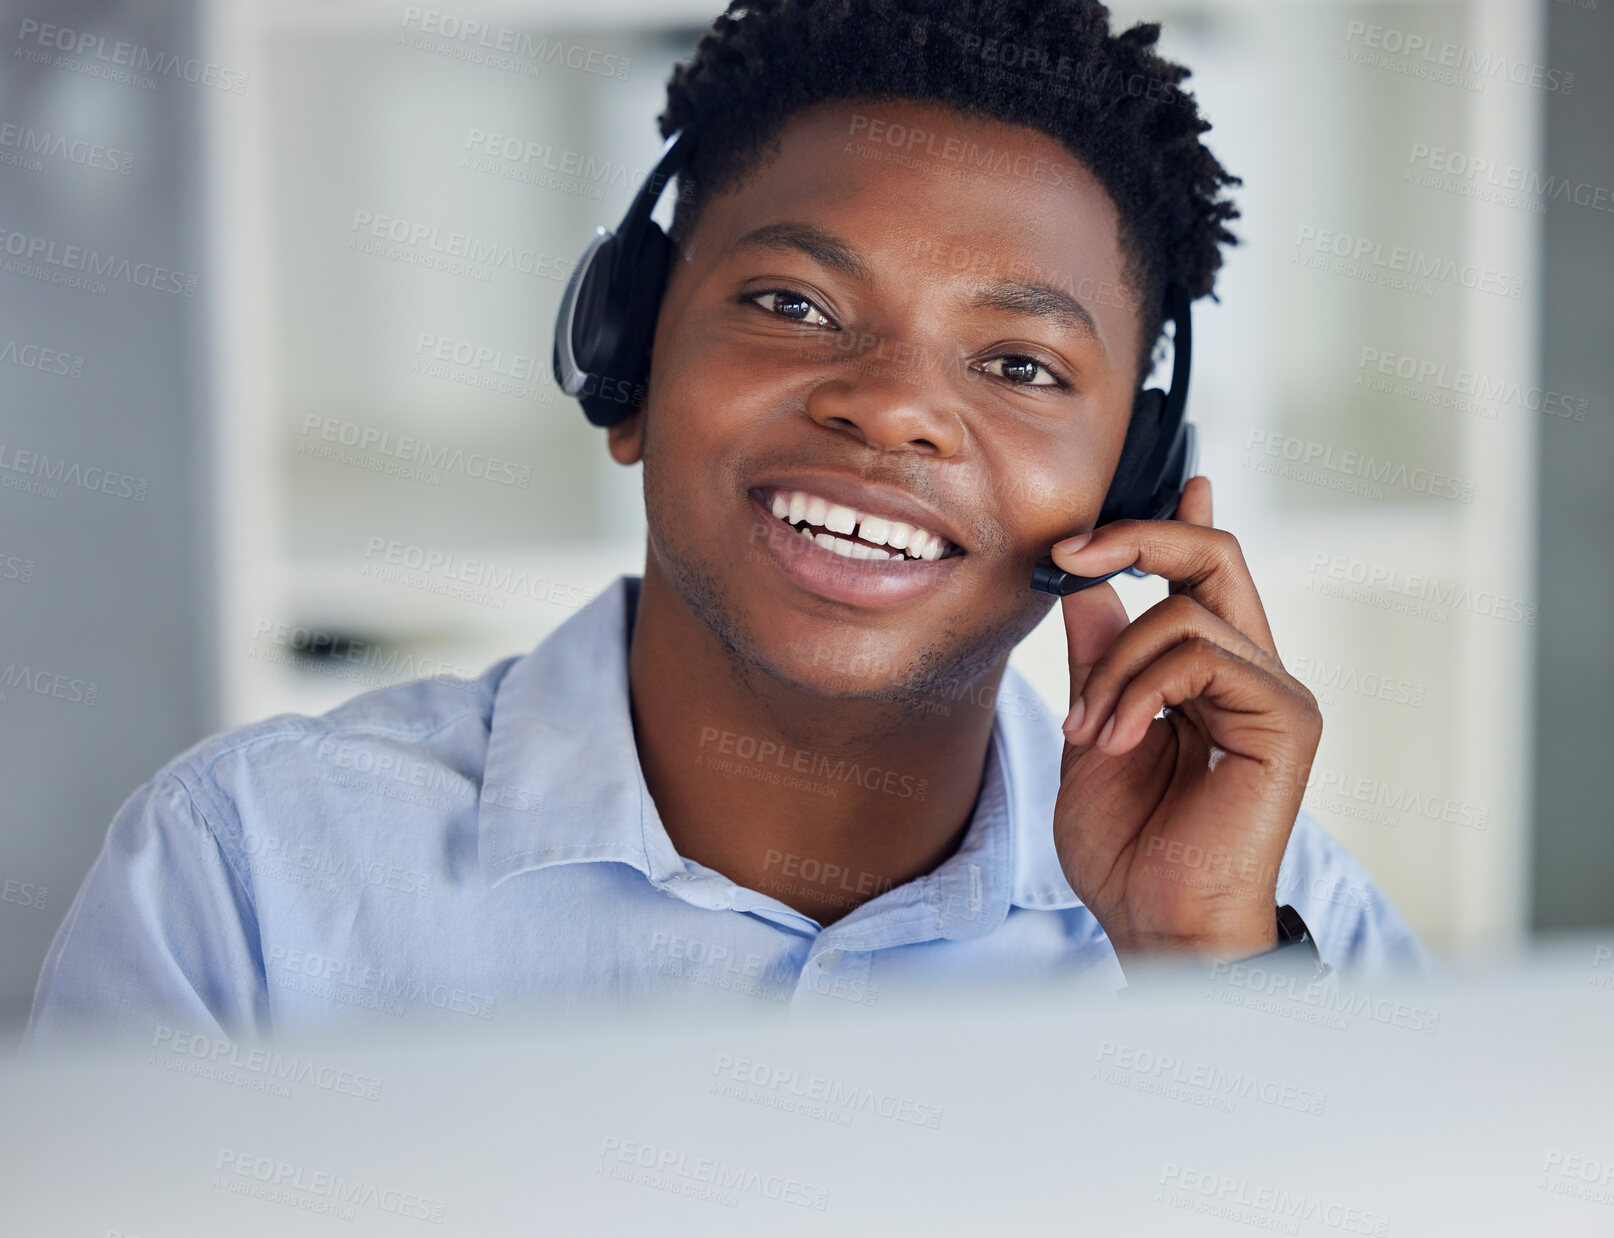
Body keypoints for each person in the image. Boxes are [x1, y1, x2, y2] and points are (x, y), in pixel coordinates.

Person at [29, 0, 1428, 1044]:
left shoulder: (1270, 915)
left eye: (1018, 365)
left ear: (1129, 481)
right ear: (628, 356)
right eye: (792, 306)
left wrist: (1208, 975)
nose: (891, 410)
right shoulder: (251, 878)